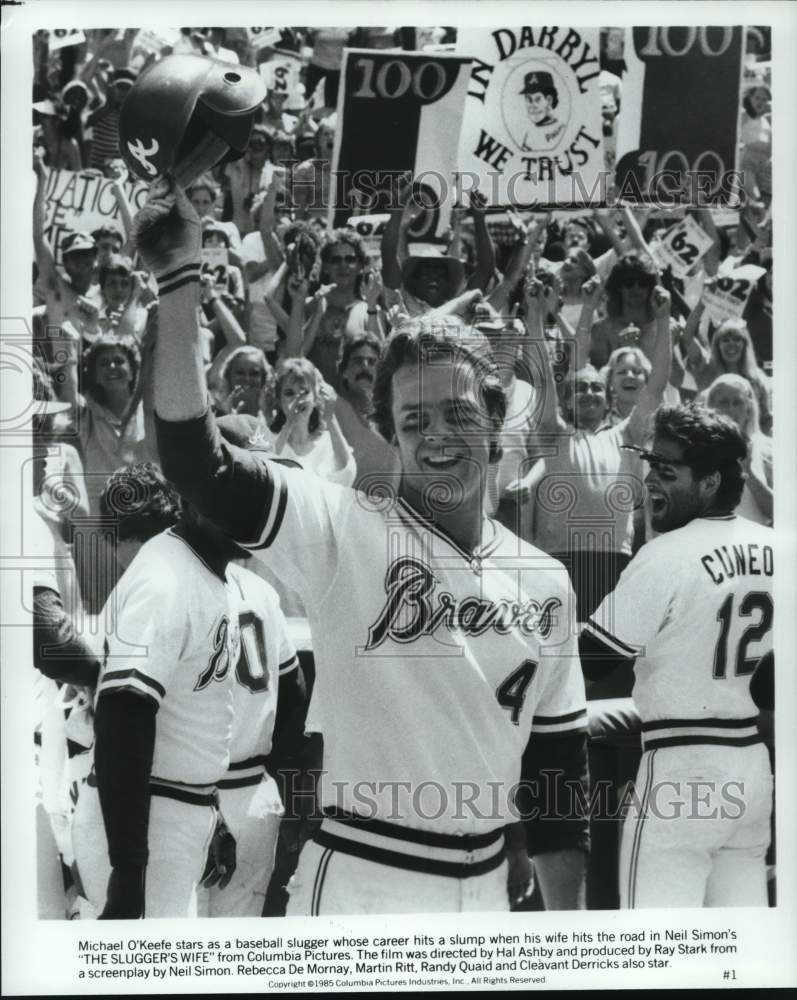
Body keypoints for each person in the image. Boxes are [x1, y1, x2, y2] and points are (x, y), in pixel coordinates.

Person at [140, 179, 590, 914]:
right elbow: (198, 464)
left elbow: (556, 776)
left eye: (456, 414)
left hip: (485, 893)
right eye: (414, 421)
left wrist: (570, 940)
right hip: (363, 875)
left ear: (494, 417)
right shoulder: (340, 526)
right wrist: (179, 279)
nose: (436, 437)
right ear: (390, 431)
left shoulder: (544, 580)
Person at [580, 403, 774, 908]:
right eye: (651, 465)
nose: (650, 479)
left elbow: (590, 665)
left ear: (710, 482)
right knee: (741, 941)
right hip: (752, 768)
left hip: (681, 769)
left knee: (657, 944)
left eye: (667, 470)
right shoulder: (780, 549)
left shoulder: (667, 554)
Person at [270, 358, 356, 487]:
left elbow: (347, 474)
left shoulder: (328, 443)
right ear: (279, 401)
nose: (297, 398)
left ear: (315, 398)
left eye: (304, 392)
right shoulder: (271, 442)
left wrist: (330, 417)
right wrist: (289, 425)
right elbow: (264, 471)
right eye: (289, 393)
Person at [705, 373, 772, 525]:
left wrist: (748, 472)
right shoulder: (697, 449)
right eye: (723, 402)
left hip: (756, 537)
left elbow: (780, 512)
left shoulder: (766, 449)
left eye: (738, 402)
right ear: (711, 407)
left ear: (749, 408)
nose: (730, 409)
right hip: (713, 537)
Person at [519, 70, 564, 150]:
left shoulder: (562, 130)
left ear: (549, 100)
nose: (532, 105)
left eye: (537, 99)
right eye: (528, 99)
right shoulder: (530, 134)